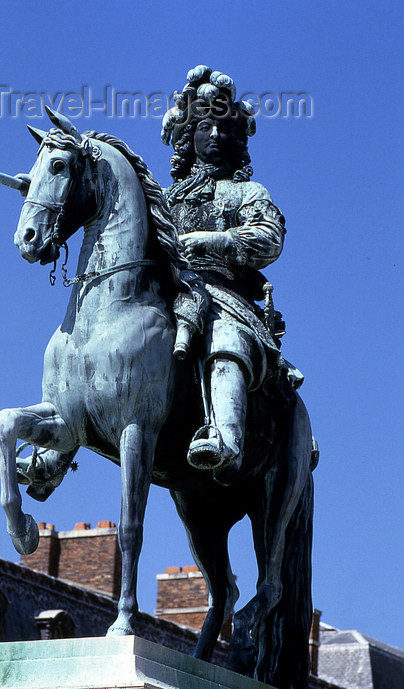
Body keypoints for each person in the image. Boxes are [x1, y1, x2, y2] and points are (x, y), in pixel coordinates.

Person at [162, 65, 287, 483]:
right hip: (164, 293)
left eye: (222, 129)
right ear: (187, 136)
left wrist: (216, 241)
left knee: (225, 336)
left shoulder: (248, 193)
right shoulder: (162, 199)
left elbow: (269, 238)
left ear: (235, 139)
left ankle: (225, 436)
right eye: (203, 127)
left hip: (225, 296)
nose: (213, 136)